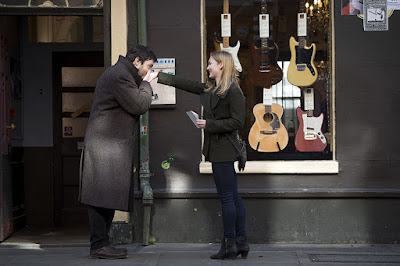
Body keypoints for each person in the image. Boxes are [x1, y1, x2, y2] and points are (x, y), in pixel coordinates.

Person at [157, 51, 249, 260]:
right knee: (233, 196)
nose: (208, 67)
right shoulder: (211, 88)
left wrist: (210, 124)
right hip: (217, 149)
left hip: (224, 150)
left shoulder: (233, 92)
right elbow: (188, 84)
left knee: (228, 198)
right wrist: (160, 76)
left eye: (210, 64)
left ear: (222, 66)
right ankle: (241, 242)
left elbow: (238, 122)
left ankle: (229, 244)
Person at [78, 45, 158, 259]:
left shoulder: (121, 74)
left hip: (109, 146)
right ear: (137, 62)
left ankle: (102, 244)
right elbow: (140, 104)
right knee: (100, 196)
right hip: (106, 146)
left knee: (106, 195)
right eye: (148, 66)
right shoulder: (120, 76)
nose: (148, 71)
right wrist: (147, 84)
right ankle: (99, 245)